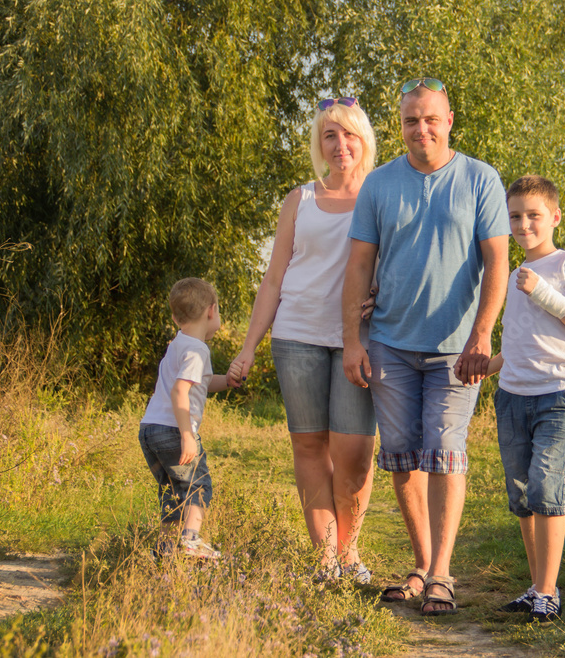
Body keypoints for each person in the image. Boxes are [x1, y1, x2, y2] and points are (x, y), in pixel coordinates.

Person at [342, 77, 510, 615]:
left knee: (445, 451)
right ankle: (421, 564)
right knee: (402, 459)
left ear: (449, 120)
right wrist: (353, 340)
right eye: (412, 120)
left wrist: (482, 333)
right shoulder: (379, 185)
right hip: (390, 343)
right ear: (401, 126)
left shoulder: (481, 179)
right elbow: (360, 265)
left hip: (457, 348)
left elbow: (497, 263)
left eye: (431, 119)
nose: (422, 129)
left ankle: (442, 572)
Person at [228, 97, 378, 582]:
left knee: (355, 451)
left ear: (364, 141)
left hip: (359, 340)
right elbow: (273, 279)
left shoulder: (381, 195)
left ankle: (349, 548)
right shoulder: (301, 199)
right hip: (297, 336)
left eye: (349, 134)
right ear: (319, 144)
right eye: (330, 135)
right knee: (310, 447)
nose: (340, 145)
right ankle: (326, 560)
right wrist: (249, 345)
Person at [477, 175, 565, 622]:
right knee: (524, 496)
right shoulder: (514, 276)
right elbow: (518, 342)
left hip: (558, 396)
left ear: (554, 217)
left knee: (548, 490)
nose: (524, 224)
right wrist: (481, 365)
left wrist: (544, 293)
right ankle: (536, 588)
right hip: (512, 396)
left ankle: (549, 593)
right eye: (515, 216)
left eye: (533, 215)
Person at [139, 277, 234, 560]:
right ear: (211, 311)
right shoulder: (197, 350)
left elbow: (200, 383)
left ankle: (165, 551)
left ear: (175, 316)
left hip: (150, 429)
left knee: (172, 491)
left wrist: (228, 381)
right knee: (198, 487)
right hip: (173, 429)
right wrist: (187, 434)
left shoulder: (179, 344)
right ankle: (190, 541)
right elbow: (181, 391)